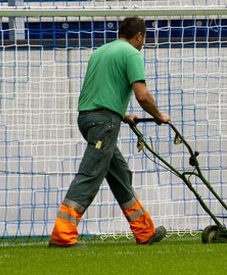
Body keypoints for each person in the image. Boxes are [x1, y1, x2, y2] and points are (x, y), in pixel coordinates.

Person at [49, 17, 171, 248]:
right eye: (144, 38)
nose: (143, 43)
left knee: (120, 173)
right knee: (90, 175)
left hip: (88, 119)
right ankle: (62, 235)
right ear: (139, 36)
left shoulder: (101, 52)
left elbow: (99, 92)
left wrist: (123, 115)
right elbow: (142, 95)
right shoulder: (132, 54)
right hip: (104, 123)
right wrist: (158, 115)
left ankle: (145, 232)